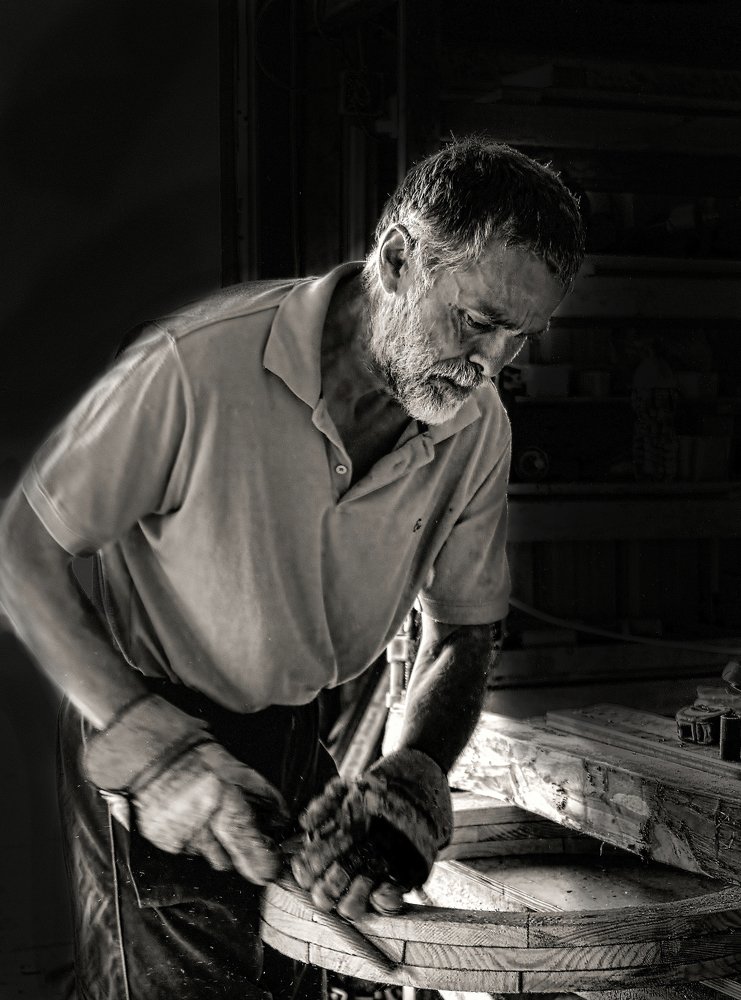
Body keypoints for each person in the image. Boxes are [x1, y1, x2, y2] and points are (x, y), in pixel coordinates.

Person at [0, 137, 584, 1000]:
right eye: (476, 322)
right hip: (153, 709)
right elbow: (22, 550)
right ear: (398, 259)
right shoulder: (194, 366)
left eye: (520, 338)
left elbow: (462, 631)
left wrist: (413, 773)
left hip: (309, 732)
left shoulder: (477, 424)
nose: (492, 365)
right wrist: (152, 749)